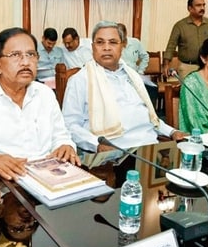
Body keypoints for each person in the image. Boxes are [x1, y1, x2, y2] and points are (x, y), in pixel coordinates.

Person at [0, 27, 78, 182]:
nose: (26, 62)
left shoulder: (46, 94)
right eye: (16, 55)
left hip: (50, 180)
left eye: (31, 55)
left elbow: (61, 135)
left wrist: (66, 145)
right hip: (0, 185)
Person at [62, 20, 185, 153]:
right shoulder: (80, 80)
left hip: (150, 149)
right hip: (114, 155)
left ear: (122, 46)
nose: (106, 48)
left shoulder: (133, 76)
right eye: (100, 42)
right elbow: (70, 125)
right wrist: (96, 145)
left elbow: (151, 118)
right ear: (93, 47)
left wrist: (172, 131)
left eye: (113, 42)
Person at [163, 0, 208, 78]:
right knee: (188, 90)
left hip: (206, 67)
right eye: (198, 5)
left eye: (203, 5)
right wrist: (166, 65)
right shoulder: (180, 25)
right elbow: (171, 46)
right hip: (187, 67)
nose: (202, 8)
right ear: (190, 8)